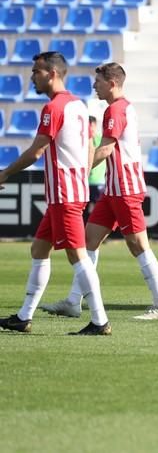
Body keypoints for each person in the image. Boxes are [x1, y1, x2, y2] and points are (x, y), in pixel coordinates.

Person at [40, 62, 158, 321]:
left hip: (125, 188)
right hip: (114, 190)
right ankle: (73, 301)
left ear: (112, 83)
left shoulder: (115, 110)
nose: (94, 85)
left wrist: (81, 168)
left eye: (98, 81)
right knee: (88, 242)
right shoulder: (124, 108)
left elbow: (106, 149)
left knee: (138, 246)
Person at [0, 51, 111, 335]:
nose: (32, 76)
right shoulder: (77, 105)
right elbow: (88, 144)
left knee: (77, 256)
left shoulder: (54, 108)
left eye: (36, 71)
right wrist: (82, 175)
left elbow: (37, 151)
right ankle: (24, 317)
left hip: (64, 194)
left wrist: (5, 173)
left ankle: (100, 321)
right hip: (68, 191)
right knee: (39, 249)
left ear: (52, 73)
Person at [85, 115, 106, 219]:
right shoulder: (82, 141)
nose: (91, 128)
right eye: (89, 126)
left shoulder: (101, 140)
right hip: (85, 181)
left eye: (92, 125)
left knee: (97, 210)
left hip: (99, 182)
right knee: (84, 210)